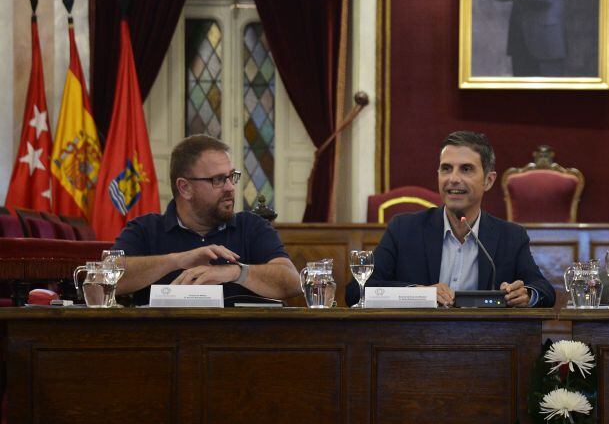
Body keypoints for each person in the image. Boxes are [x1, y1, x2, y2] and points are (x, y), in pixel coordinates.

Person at [347, 131, 556, 308]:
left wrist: (527, 294)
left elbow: (543, 290)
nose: (453, 178)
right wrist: (419, 295)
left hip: (485, 347)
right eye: (446, 168)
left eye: (466, 169)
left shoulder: (510, 236)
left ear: (488, 180)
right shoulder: (404, 229)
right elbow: (356, 291)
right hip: (414, 345)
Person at [115, 135, 302, 305]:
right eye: (218, 179)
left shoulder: (252, 226)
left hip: (240, 340)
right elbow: (107, 279)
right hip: (165, 340)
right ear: (185, 188)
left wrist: (234, 272)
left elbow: (292, 282)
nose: (230, 187)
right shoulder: (144, 229)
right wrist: (178, 260)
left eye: (231, 177)